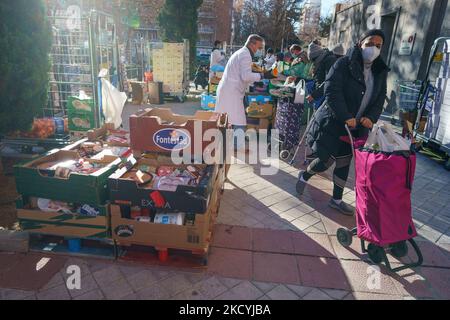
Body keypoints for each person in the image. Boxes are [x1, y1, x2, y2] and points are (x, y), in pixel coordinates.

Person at [296, 29, 389, 215]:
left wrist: (370, 118)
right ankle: (305, 174)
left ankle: (336, 200)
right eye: (370, 43)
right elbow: (332, 90)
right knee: (325, 161)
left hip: (356, 128)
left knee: (344, 162)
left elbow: (379, 99)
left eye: (378, 46)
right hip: (334, 122)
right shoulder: (343, 64)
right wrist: (345, 115)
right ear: (360, 43)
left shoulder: (380, 71)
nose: (373, 49)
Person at [215, 34, 269, 150]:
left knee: (228, 118)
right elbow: (245, 76)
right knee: (238, 119)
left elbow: (243, 74)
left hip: (229, 90)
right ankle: (236, 146)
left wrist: (256, 78)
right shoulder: (245, 55)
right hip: (231, 92)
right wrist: (262, 75)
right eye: (259, 47)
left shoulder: (242, 52)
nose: (259, 50)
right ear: (252, 44)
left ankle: (225, 143)